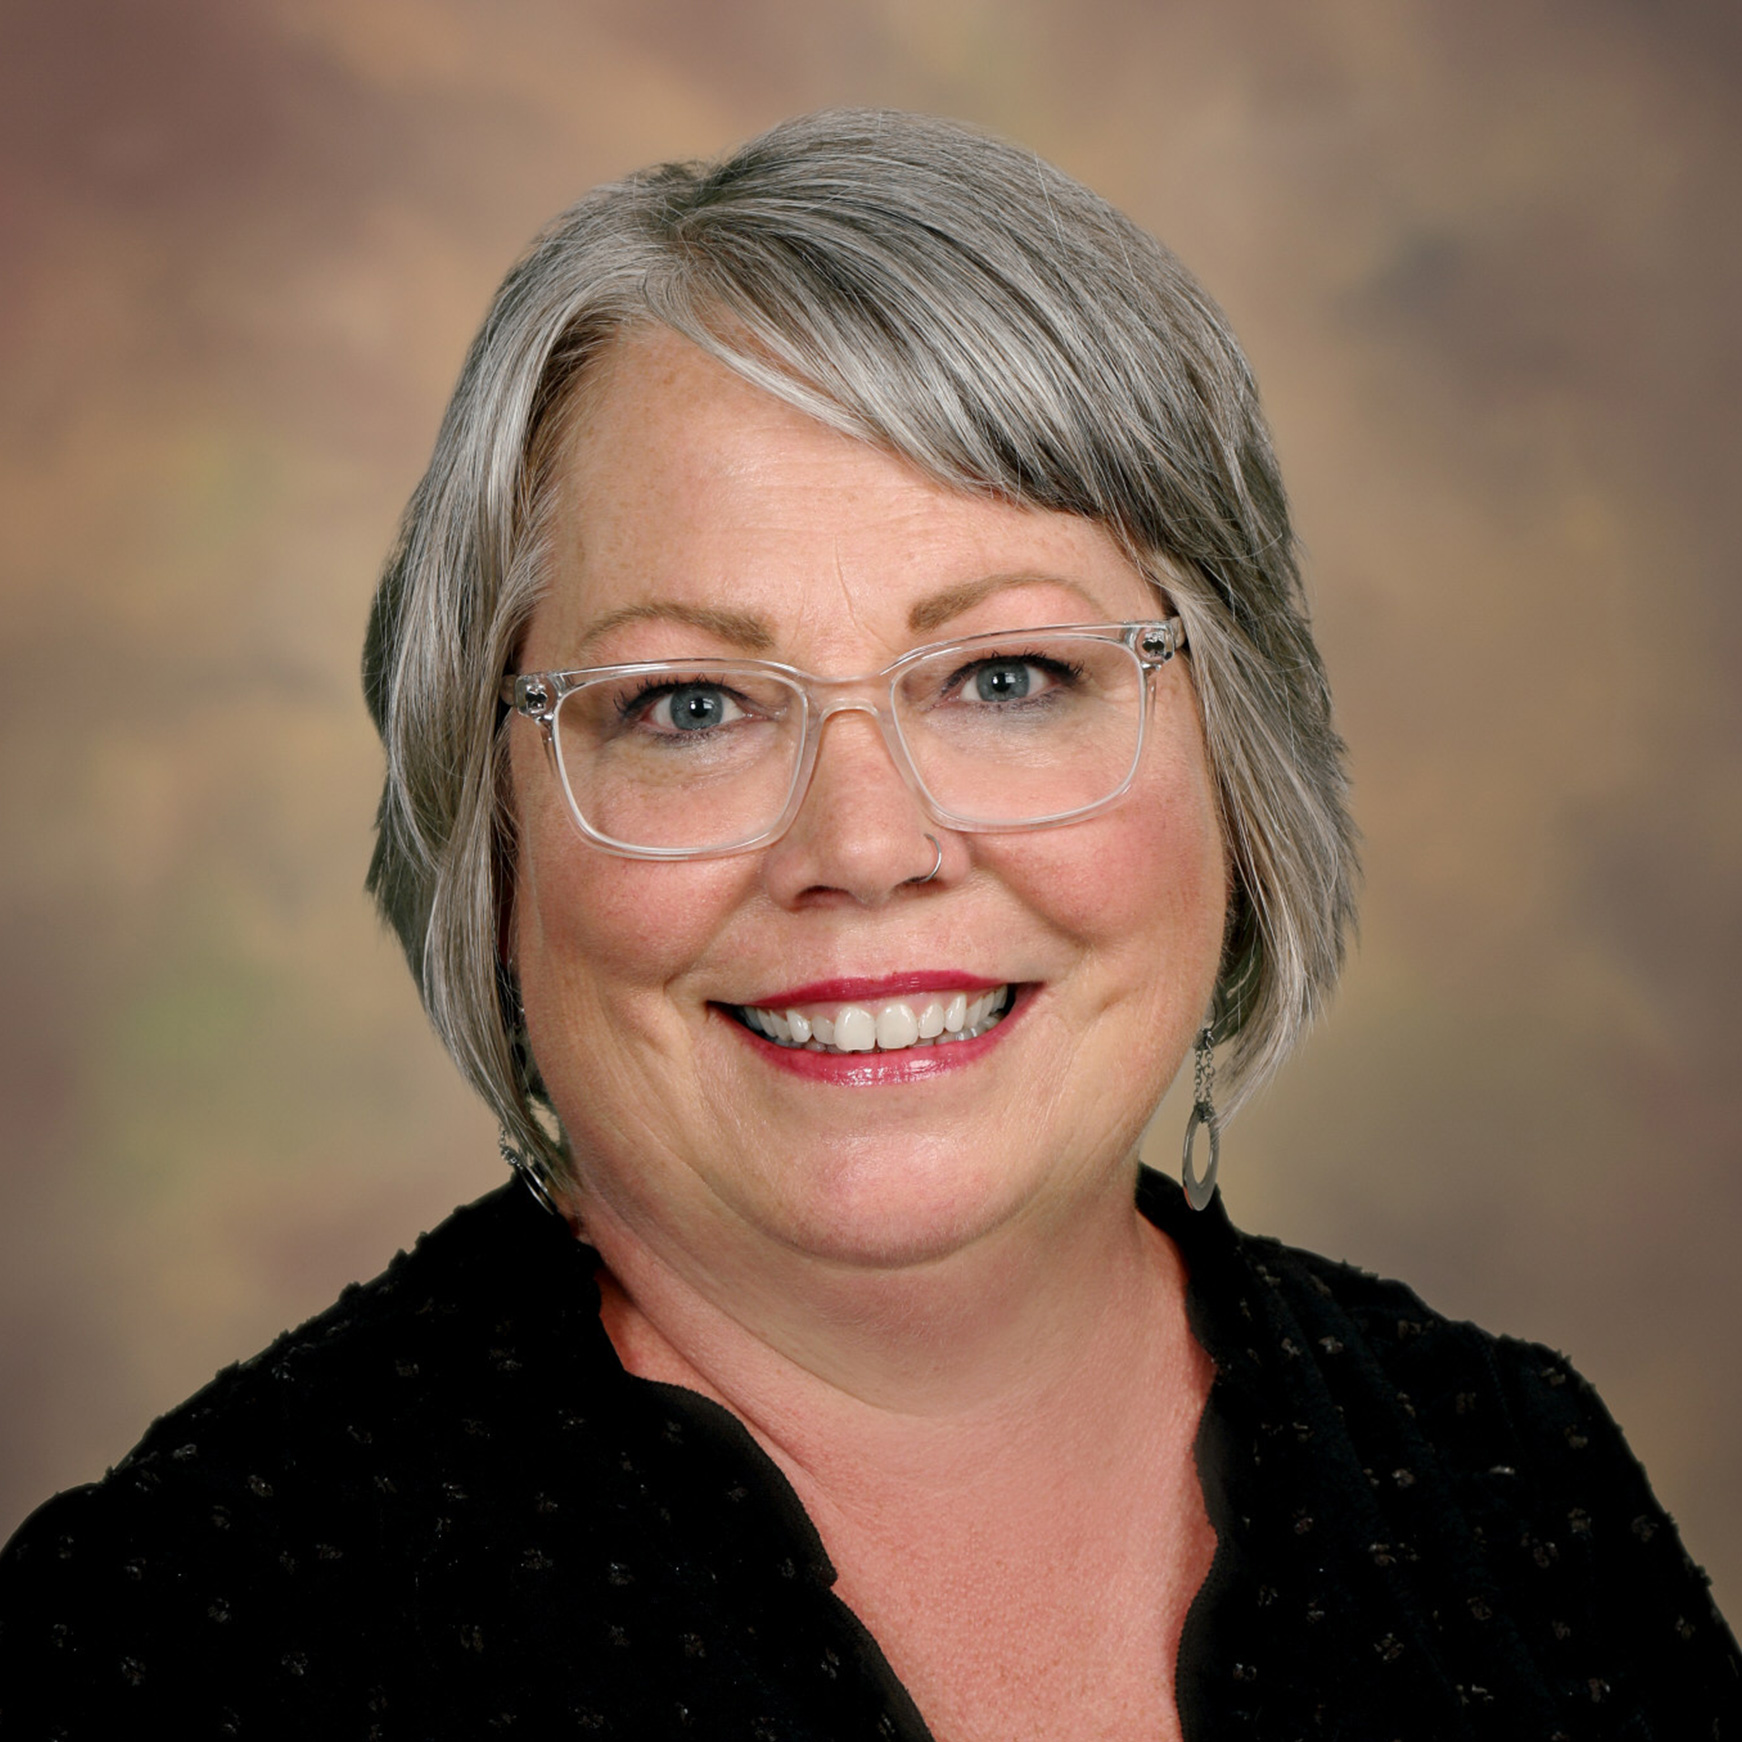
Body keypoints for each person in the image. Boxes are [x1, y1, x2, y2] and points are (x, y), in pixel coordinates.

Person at [0, 108, 1735, 1741]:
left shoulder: (1515, 1485)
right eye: (687, 704)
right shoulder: (183, 1638)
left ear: (1242, 765)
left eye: (1006, 675)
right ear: (492, 825)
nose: (864, 843)